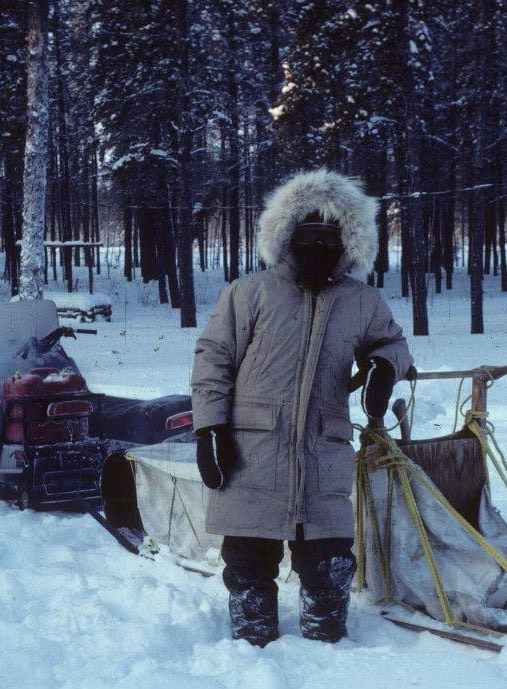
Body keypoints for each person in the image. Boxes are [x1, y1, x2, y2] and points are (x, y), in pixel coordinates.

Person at [190, 168, 413, 646]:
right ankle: (253, 647)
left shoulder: (362, 301)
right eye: (307, 235)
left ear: (348, 242)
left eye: (328, 237)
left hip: (323, 448)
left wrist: (384, 367)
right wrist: (209, 427)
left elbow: (393, 343)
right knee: (249, 558)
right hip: (252, 450)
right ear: (285, 236)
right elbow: (214, 359)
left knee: (330, 559)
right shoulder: (248, 293)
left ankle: (328, 646)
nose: (317, 246)